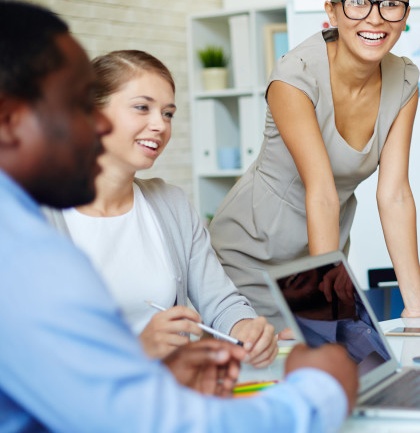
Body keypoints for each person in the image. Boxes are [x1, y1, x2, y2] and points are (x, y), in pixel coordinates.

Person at [0, 0, 358, 432]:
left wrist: (171, 369)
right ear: (8, 120)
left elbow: (79, 395)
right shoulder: (22, 249)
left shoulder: (159, 204)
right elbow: (149, 421)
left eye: (168, 113)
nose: (96, 128)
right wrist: (320, 390)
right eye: (78, 107)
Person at [210, 0, 420, 327]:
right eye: (357, 3)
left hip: (320, 252)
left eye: (391, 4)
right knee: (270, 372)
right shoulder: (295, 77)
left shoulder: (404, 80)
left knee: (336, 373)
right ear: (332, 12)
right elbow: (320, 190)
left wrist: (416, 303)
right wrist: (327, 312)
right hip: (251, 255)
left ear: (405, 14)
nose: (375, 18)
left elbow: (395, 193)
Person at [41, 50, 276, 365]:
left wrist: (245, 328)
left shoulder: (171, 204)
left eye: (167, 113)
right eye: (142, 108)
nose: (160, 125)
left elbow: (220, 302)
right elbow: (25, 353)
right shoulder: (35, 215)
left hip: (168, 398)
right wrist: (135, 350)